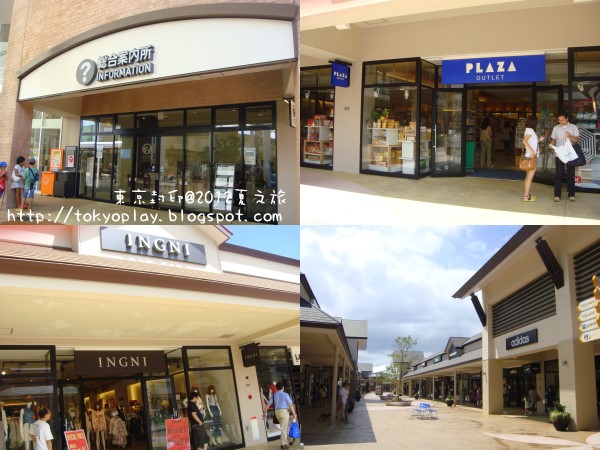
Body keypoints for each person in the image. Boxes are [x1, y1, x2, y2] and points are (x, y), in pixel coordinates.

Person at [550, 112, 580, 202]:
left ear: (567, 118)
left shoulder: (573, 127)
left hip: (570, 155)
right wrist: (551, 144)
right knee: (558, 174)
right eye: (559, 120)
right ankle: (557, 195)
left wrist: (570, 136)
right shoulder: (556, 128)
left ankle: (571, 194)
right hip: (559, 154)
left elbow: (577, 140)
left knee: (571, 174)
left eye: (562, 120)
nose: (561, 122)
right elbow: (553, 139)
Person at [263, 382, 297, 450]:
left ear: (276, 388)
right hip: (283, 411)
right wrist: (294, 413)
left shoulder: (273, 395)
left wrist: (264, 411)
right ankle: (283, 444)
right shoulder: (285, 394)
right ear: (283, 388)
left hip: (277, 412)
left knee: (284, 427)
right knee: (284, 428)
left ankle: (290, 440)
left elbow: (268, 404)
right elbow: (290, 404)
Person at [522, 116, 541, 202]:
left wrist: (539, 140)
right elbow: (524, 141)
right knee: (529, 178)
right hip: (531, 157)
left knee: (527, 177)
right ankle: (526, 196)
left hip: (529, 156)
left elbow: (531, 142)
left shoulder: (528, 130)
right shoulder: (530, 130)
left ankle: (526, 195)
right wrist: (532, 151)